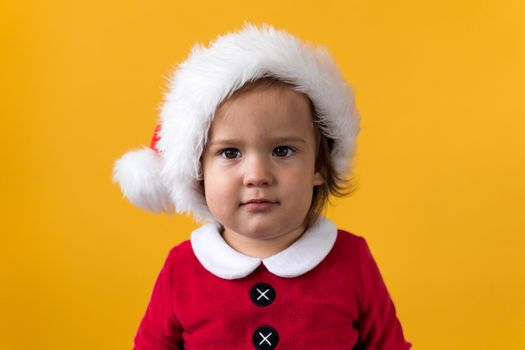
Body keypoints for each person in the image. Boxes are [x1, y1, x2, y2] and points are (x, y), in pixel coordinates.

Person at [113, 23, 412, 350]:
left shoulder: (351, 261)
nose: (257, 175)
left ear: (319, 166)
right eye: (230, 152)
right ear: (199, 172)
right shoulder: (182, 269)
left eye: (282, 151)